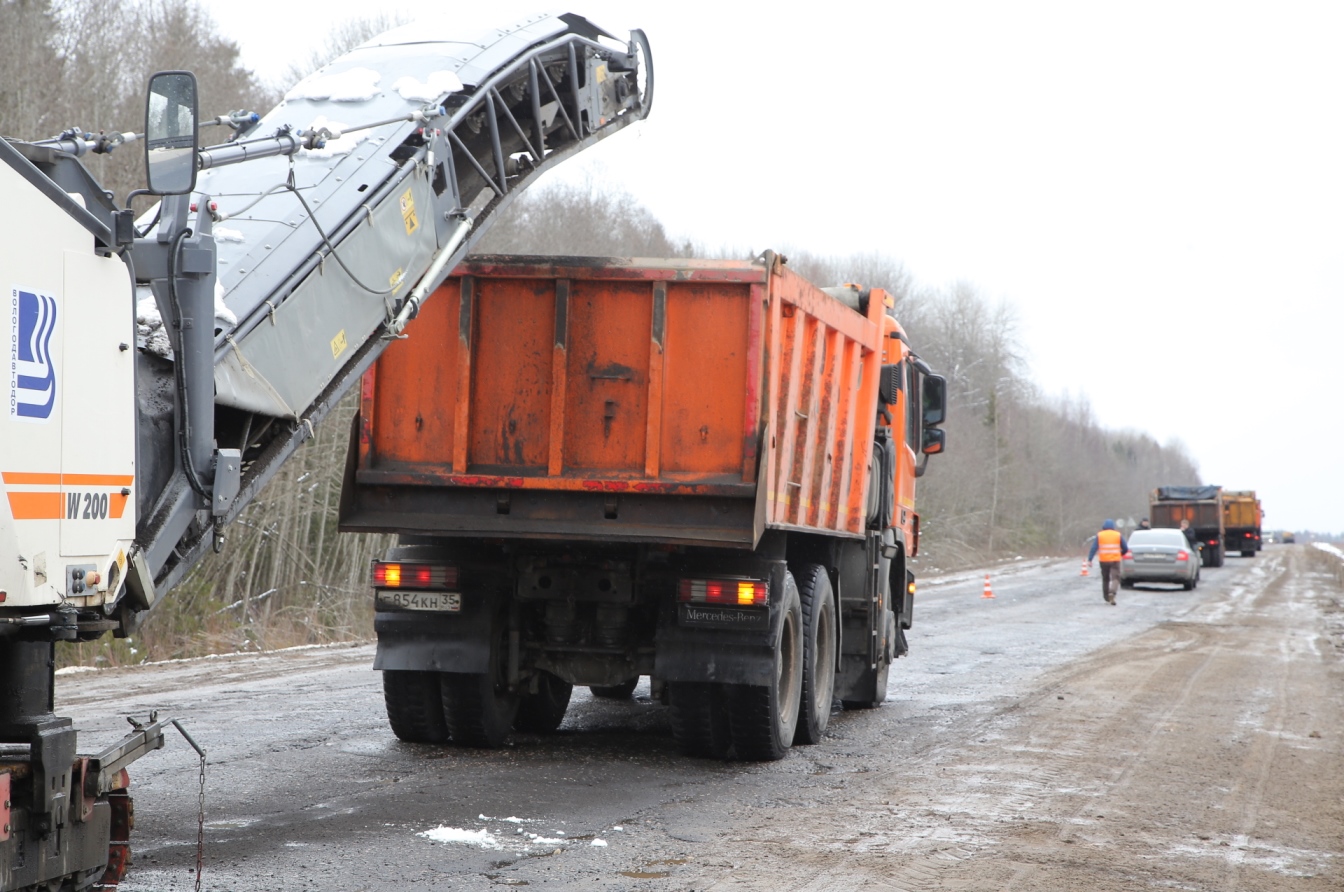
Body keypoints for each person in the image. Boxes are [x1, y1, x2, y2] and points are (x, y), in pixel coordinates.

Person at [1087, 519, 1130, 605]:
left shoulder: (1100, 535)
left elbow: (1094, 548)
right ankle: (1112, 592)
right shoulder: (1118, 535)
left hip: (1104, 560)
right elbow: (1125, 548)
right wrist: (1121, 553)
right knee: (1115, 578)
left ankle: (1106, 597)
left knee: (1105, 579)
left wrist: (1090, 559)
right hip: (1115, 560)